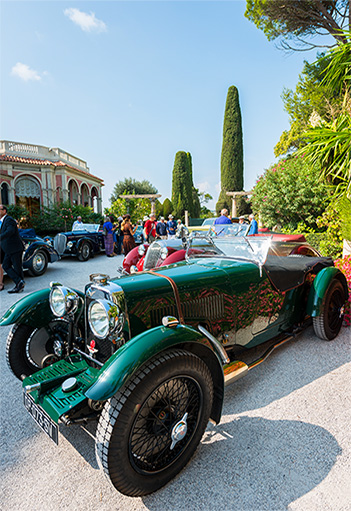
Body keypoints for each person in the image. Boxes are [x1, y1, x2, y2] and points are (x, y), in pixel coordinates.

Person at [0, 204, 25, 293]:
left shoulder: (9, 220)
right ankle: (19, 282)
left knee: (17, 267)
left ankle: (19, 285)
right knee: (5, 266)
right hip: (8, 249)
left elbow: (10, 231)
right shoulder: (2, 221)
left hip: (15, 248)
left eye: (0, 209)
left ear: (4, 211)